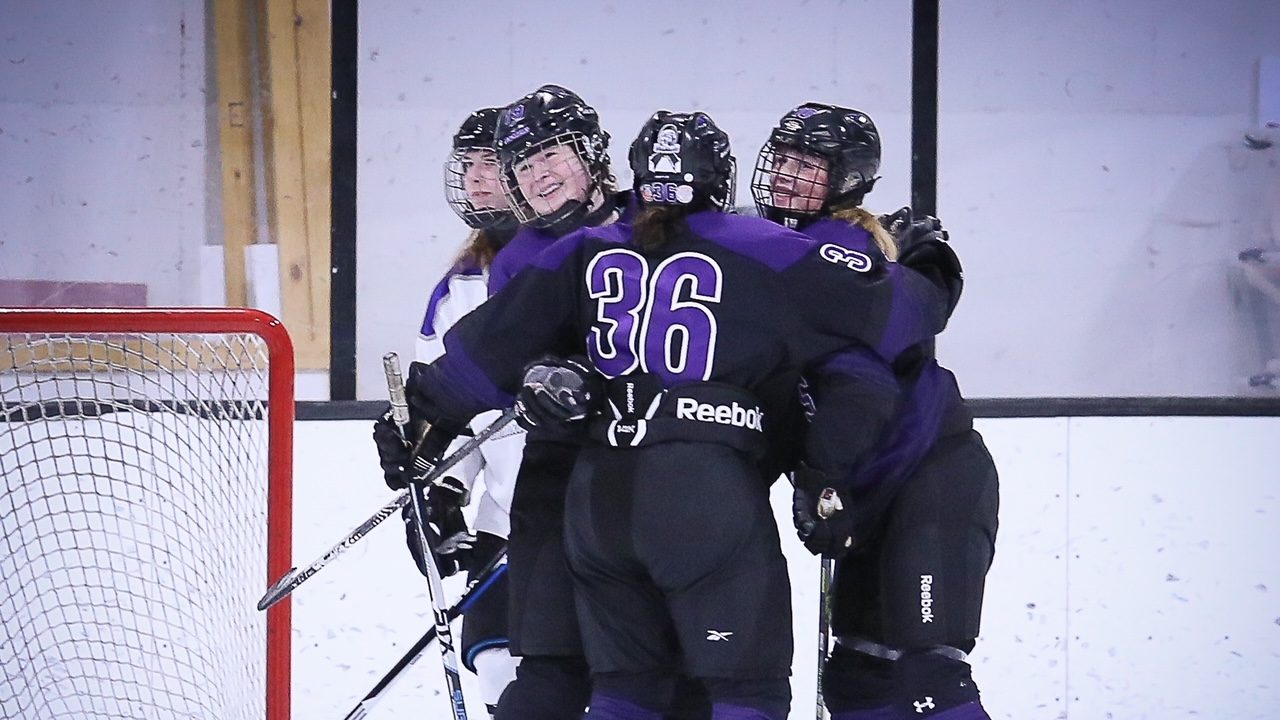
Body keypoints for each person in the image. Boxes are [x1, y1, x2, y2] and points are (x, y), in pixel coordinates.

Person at [391, 109, 956, 720]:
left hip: (597, 498)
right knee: (746, 692)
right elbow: (896, 323)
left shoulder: (581, 249)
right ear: (723, 179)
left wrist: (417, 431)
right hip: (704, 490)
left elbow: (475, 362)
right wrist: (929, 271)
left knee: (624, 688)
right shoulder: (766, 247)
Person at [752, 102, 1000, 720]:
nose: (786, 175)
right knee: (862, 675)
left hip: (928, 478)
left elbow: (868, 378)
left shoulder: (834, 245)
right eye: (782, 158)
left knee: (924, 672)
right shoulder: (779, 245)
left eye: (806, 164)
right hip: (868, 493)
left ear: (846, 180)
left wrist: (821, 480)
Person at [373, 106, 524, 718]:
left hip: (598, 525)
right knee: (498, 669)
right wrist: (438, 494)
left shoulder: (595, 264)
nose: (477, 179)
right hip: (507, 523)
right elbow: (453, 419)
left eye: (491, 163)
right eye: (469, 166)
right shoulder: (461, 284)